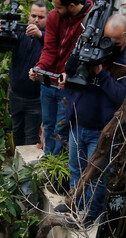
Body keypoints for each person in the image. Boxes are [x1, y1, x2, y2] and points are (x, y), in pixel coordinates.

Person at [57, 14, 126, 223]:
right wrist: (67, 79)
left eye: (116, 41)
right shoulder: (92, 44)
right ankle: (76, 207)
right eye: (106, 38)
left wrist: (101, 74)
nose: (109, 45)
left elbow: (123, 97)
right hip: (79, 122)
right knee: (76, 169)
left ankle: (92, 215)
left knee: (96, 176)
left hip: (102, 130)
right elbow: (72, 71)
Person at [28, 0, 92, 155]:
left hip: (68, 86)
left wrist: (71, 74)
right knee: (48, 124)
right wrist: (39, 67)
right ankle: (48, 159)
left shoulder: (90, 20)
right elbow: (49, 48)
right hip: (49, 81)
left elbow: (88, 57)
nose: (54, 10)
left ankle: (55, 165)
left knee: (61, 128)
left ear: (71, 6)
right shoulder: (54, 17)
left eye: (58, 7)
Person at [0, 0, 47, 146]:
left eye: (41, 17)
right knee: (17, 132)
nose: (36, 20)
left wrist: (40, 35)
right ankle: (18, 166)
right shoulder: (21, 33)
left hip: (35, 99)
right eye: (34, 16)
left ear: (48, 18)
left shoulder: (49, 38)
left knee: (31, 138)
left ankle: (28, 168)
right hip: (16, 96)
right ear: (28, 16)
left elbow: (56, 48)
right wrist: (0, 32)